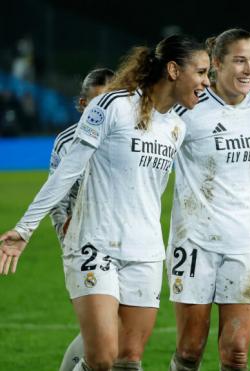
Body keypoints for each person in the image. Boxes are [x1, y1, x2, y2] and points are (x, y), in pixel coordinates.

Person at [0, 35, 210, 371]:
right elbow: (67, 171)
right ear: (173, 70)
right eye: (201, 71)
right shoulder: (113, 106)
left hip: (146, 254)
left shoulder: (176, 127)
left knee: (129, 361)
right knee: (101, 358)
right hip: (95, 245)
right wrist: (25, 228)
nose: (206, 81)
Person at [166, 29, 250, 371]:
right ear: (216, 63)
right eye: (240, 60)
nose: (249, 70)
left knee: (237, 353)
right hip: (194, 242)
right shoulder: (186, 111)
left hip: (246, 244)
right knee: (189, 350)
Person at [49, 67, 116, 371]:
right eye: (96, 103)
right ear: (81, 104)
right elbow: (57, 198)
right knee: (107, 336)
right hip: (87, 246)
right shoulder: (68, 142)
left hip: (128, 243)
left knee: (112, 332)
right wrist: (68, 243)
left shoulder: (129, 136)